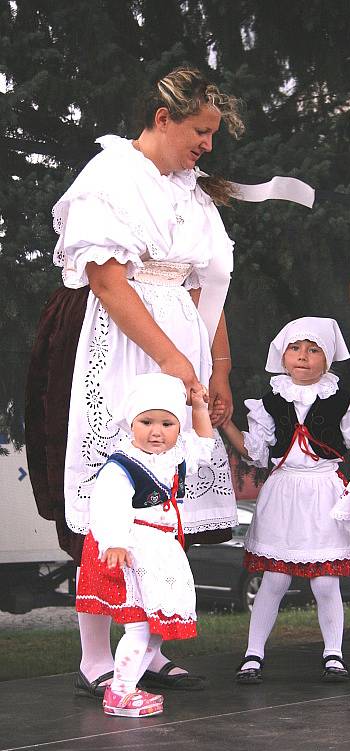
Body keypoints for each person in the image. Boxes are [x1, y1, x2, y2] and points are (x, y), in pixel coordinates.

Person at [25, 66, 244, 697]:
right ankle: (96, 658)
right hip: (115, 342)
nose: (207, 145)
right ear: (162, 118)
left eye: (213, 134)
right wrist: (175, 359)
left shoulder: (193, 192)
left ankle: (138, 648)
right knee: (110, 500)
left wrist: (215, 367)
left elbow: (208, 287)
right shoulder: (110, 178)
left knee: (159, 510)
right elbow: (107, 281)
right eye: (200, 131)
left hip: (177, 349)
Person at [221, 317, 350, 684]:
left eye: (313, 349)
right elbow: (255, 451)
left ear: (327, 359)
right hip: (284, 492)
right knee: (275, 578)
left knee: (325, 582)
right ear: (282, 355)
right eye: (296, 348)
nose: (303, 356)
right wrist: (225, 424)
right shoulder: (271, 401)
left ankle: (334, 653)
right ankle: (253, 654)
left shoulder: (343, 400)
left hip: (324, 492)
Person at [76, 372, 214, 717]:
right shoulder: (122, 466)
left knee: (154, 627)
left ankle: (128, 686)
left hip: (160, 551)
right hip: (132, 551)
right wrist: (115, 543)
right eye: (147, 421)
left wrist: (198, 407)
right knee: (139, 624)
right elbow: (108, 505)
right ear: (131, 424)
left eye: (167, 423)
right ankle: (119, 692)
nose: (157, 431)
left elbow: (204, 444)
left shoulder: (174, 458)